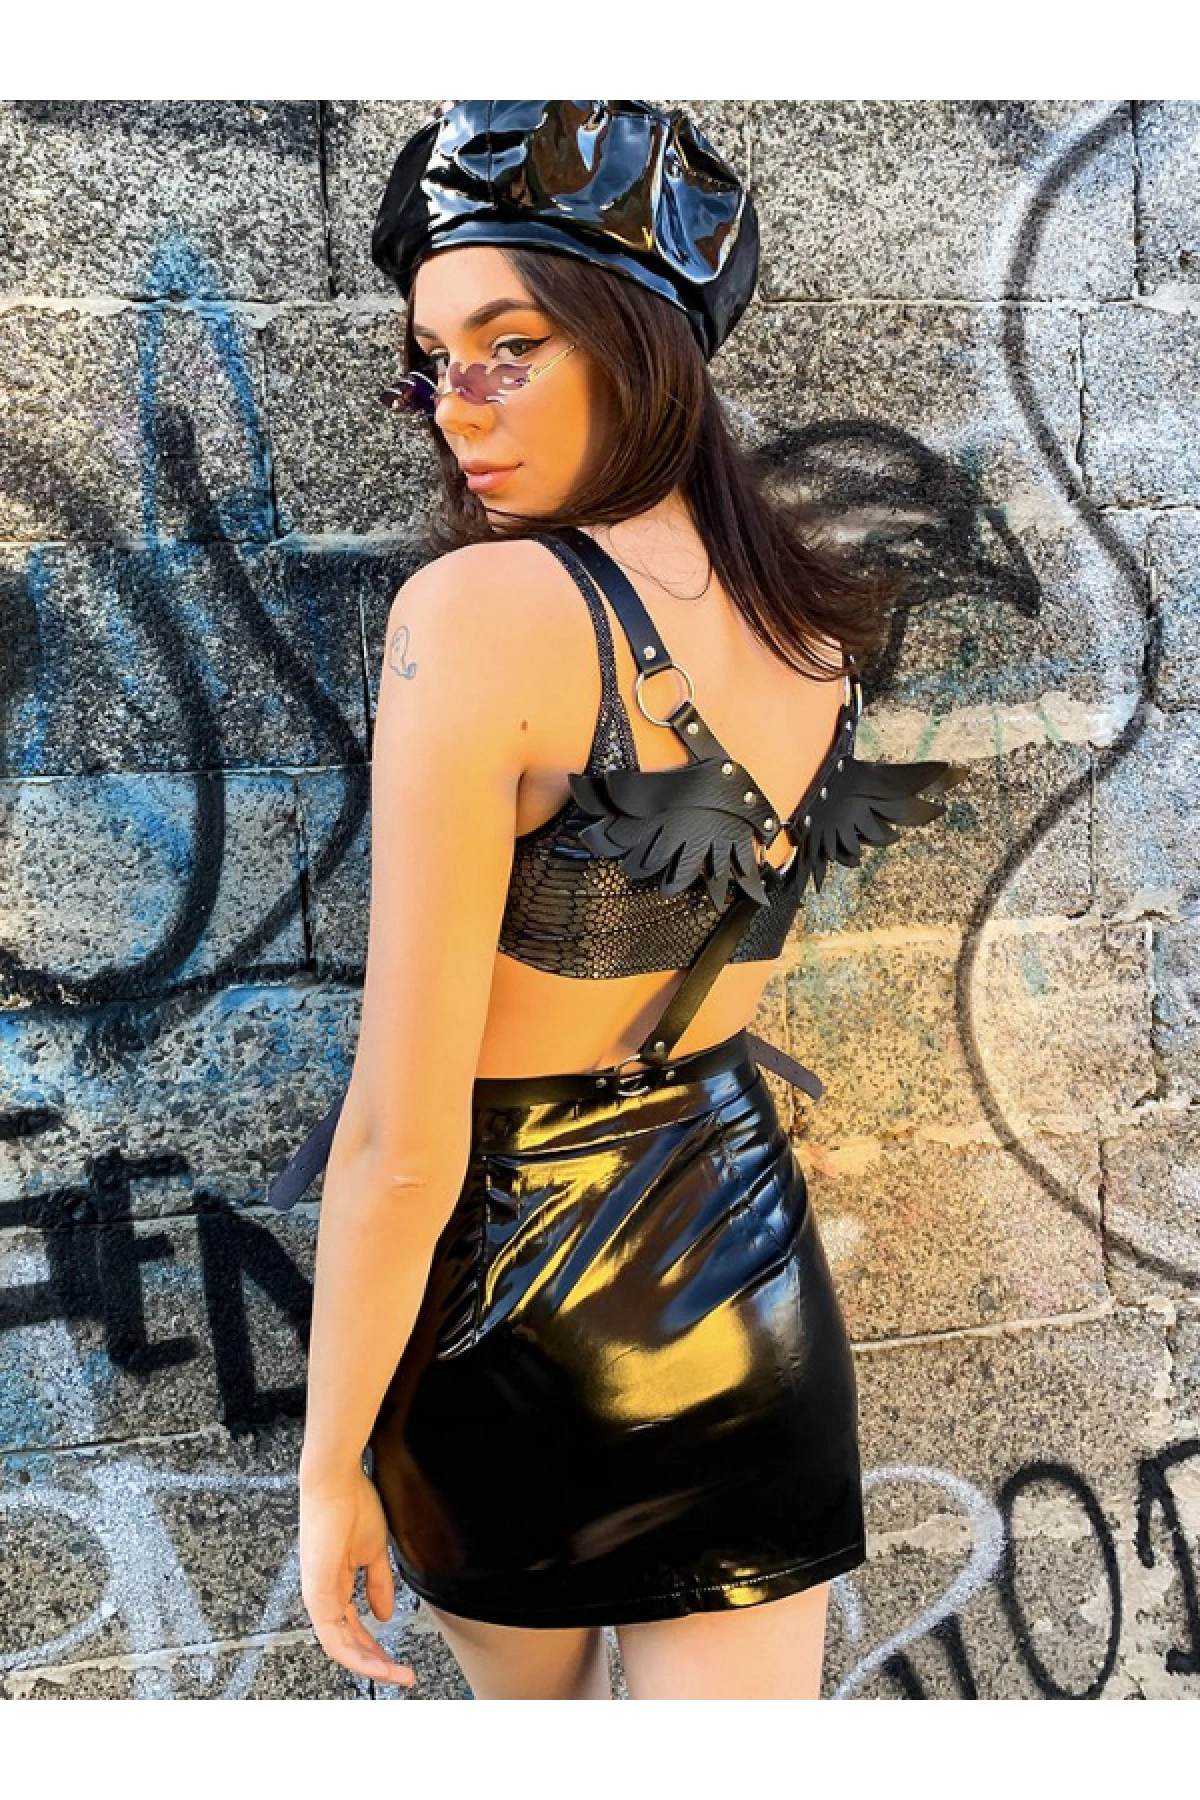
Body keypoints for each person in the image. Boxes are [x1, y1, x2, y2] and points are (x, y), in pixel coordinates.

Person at [290, 97, 969, 1704]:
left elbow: (399, 1147)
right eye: (433, 359)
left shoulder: (478, 611)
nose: (456, 406)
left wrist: (324, 1476)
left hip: (500, 1311)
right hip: (744, 1279)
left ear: (640, 347)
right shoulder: (806, 625)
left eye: (510, 347)